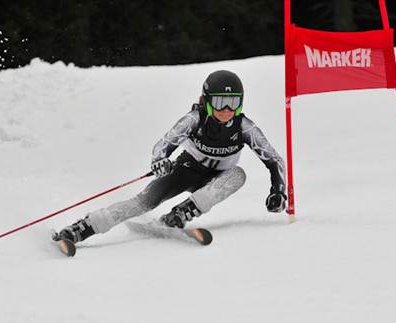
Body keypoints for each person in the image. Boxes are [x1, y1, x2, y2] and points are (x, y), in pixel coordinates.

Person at [55, 70, 287, 244]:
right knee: (143, 202)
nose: (226, 109)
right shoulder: (193, 120)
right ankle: (82, 229)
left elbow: (274, 160)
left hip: (216, 180)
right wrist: (160, 162)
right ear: (207, 101)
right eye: (219, 102)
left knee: (238, 174)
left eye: (233, 102)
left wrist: (278, 190)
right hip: (184, 170)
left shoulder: (245, 128)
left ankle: (180, 214)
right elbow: (162, 145)